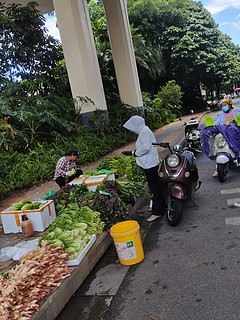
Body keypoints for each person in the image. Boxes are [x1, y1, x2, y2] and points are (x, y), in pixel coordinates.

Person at [122, 115, 165, 222]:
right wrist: (136, 158)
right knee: (155, 187)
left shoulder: (145, 132)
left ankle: (157, 212)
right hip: (149, 163)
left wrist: (134, 153)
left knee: (155, 188)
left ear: (137, 124)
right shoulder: (144, 131)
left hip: (149, 164)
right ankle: (162, 206)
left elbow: (145, 148)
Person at [212, 99, 240, 177]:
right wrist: (211, 126)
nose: (223, 107)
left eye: (225, 105)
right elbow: (216, 123)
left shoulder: (237, 112)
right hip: (225, 134)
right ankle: (217, 169)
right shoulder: (221, 115)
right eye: (222, 106)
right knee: (218, 146)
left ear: (230, 105)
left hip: (236, 133)